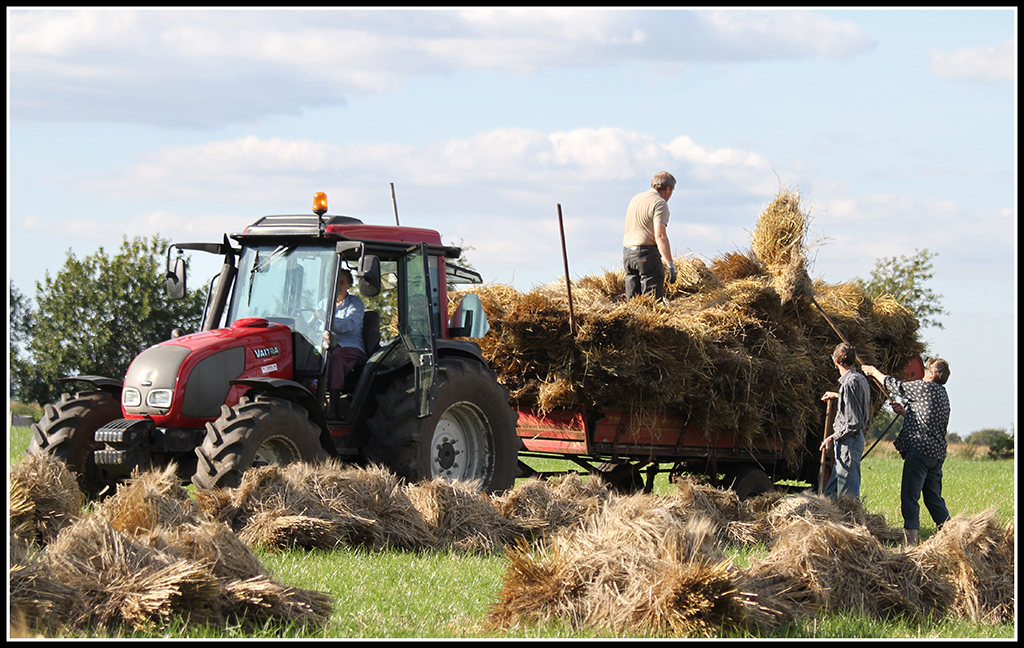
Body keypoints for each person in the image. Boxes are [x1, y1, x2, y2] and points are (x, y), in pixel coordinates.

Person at [862, 358, 951, 546]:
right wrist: (905, 413)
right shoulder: (943, 394)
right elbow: (927, 420)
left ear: (932, 374)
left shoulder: (923, 387)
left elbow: (896, 386)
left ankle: (911, 544)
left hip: (919, 451)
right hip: (936, 454)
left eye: (926, 369)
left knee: (910, 497)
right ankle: (951, 536)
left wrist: (874, 372)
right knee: (934, 499)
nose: (924, 371)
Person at [819, 342, 871, 500]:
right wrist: (836, 395)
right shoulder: (860, 379)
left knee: (846, 497)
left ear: (836, 361)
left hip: (848, 443)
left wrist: (832, 436)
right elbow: (854, 404)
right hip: (851, 441)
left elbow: (852, 422)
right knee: (830, 495)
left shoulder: (848, 384)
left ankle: (850, 523)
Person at [623, 171, 677, 300]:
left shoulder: (636, 198)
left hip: (628, 254)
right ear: (668, 189)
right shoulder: (659, 203)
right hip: (646, 253)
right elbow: (660, 235)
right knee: (651, 302)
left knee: (633, 302)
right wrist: (670, 264)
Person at [327, 268, 366, 393]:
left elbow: (348, 325)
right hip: (327, 344)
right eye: (336, 281)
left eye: (342, 281)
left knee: (336, 356)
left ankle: (334, 402)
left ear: (349, 285)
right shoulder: (325, 303)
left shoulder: (355, 303)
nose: (338, 285)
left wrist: (327, 320)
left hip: (350, 346)